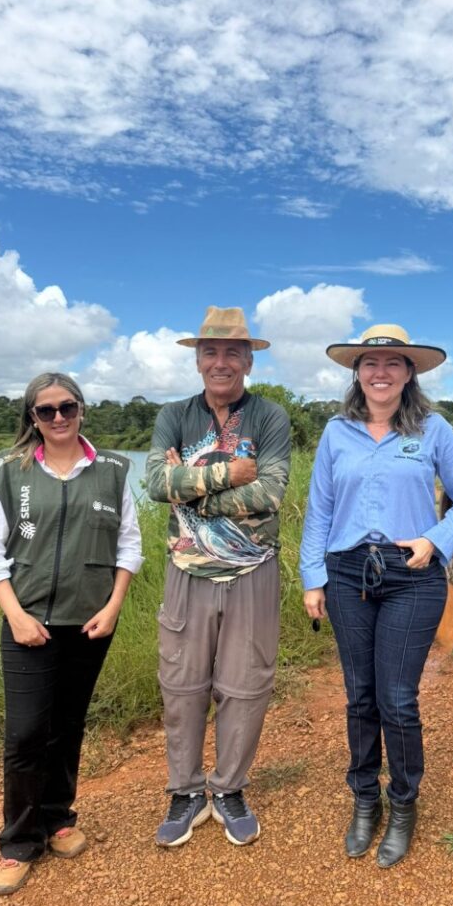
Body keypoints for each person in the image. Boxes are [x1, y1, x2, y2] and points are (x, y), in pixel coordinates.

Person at [300, 324, 453, 867]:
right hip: (348, 573)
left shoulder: (432, 430)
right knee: (359, 695)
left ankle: (403, 804)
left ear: (410, 373)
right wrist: (313, 577)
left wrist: (438, 539)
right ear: (357, 373)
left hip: (412, 573)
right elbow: (320, 511)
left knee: (397, 699)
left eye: (393, 363)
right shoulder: (337, 432)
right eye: (370, 363)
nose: (380, 373)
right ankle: (365, 800)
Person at [0, 372, 143, 896]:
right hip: (28, 624)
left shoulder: (113, 471)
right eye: (45, 411)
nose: (58, 418)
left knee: (68, 725)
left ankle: (58, 818)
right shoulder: (7, 472)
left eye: (67, 407)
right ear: (32, 418)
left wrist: (114, 606)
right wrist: (16, 615)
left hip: (90, 624)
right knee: (26, 733)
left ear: (82, 409)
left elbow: (129, 547)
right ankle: (18, 841)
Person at [146, 306, 290, 848]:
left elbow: (270, 494)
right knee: (182, 685)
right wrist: (230, 472)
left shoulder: (269, 417)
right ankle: (184, 791)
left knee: (246, 684)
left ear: (249, 360)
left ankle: (229, 788)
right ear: (198, 359)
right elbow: (157, 485)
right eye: (211, 352)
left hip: (253, 569)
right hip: (187, 570)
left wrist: (193, 483)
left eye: (233, 352)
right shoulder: (173, 415)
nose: (221, 362)